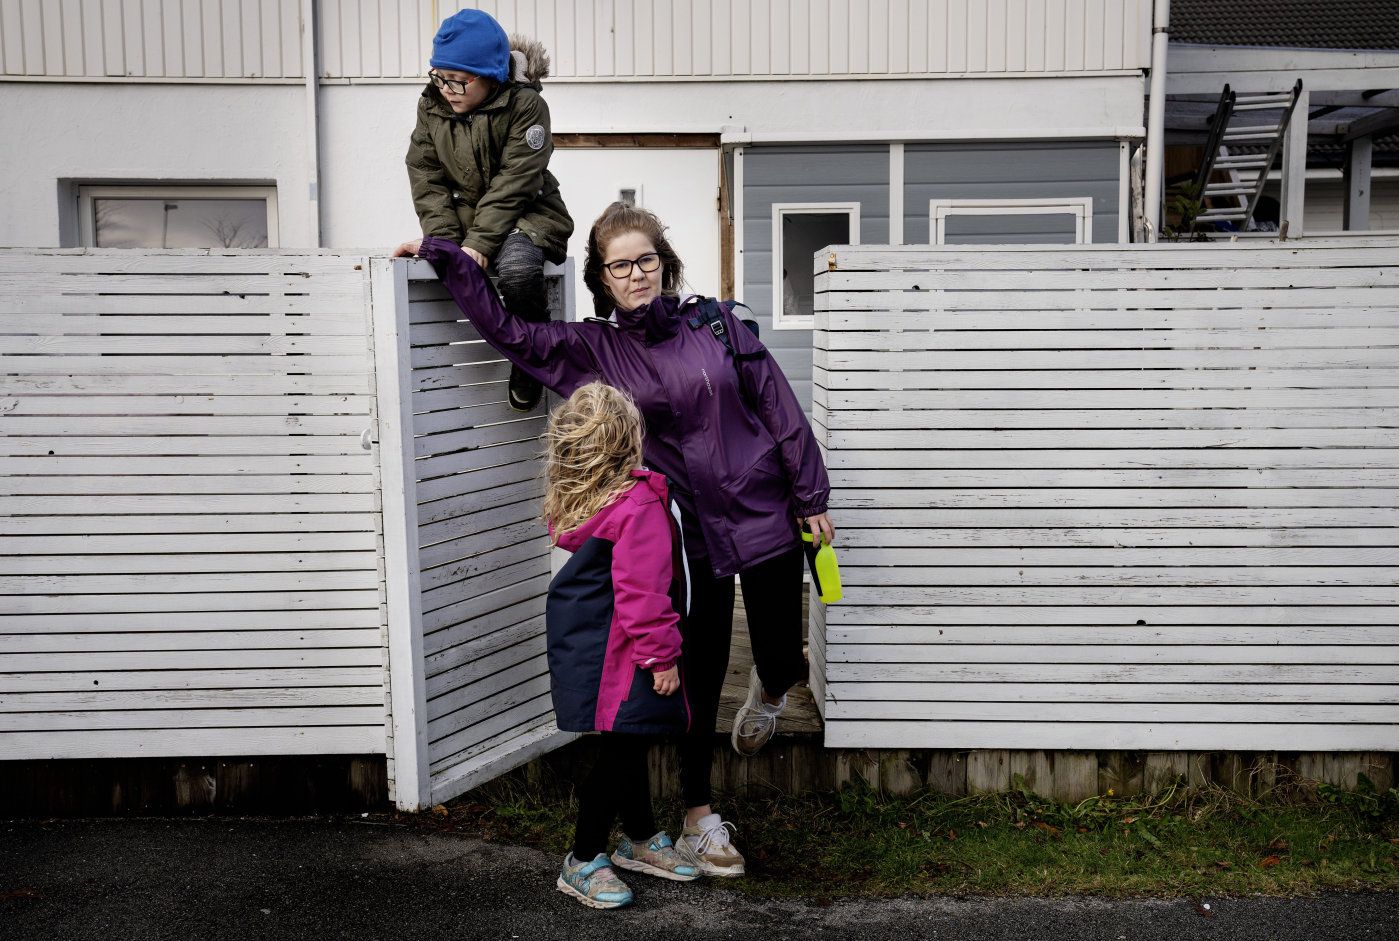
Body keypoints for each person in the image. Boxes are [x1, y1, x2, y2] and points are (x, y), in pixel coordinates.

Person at [393, 202, 836, 879]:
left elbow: (776, 403)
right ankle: (697, 814)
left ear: (665, 261)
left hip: (762, 509)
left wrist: (810, 497)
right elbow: (510, 333)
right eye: (621, 264)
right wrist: (448, 255)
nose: (636, 273)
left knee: (780, 656)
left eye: (646, 259)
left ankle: (769, 697)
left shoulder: (714, 324)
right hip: (690, 535)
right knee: (701, 671)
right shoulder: (591, 349)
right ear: (603, 276)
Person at [542, 382, 699, 909]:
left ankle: (638, 836)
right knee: (622, 748)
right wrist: (661, 655)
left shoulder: (586, 499)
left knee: (628, 735)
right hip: (627, 648)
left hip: (596, 638)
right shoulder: (638, 505)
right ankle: (583, 858)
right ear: (630, 440)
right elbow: (642, 588)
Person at [405, 7, 573, 412]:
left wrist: (480, 241)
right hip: (467, 222)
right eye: (439, 77)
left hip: (529, 214)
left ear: (489, 75)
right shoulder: (431, 108)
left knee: (516, 269)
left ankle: (530, 356)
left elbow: (517, 179)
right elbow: (425, 174)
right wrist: (445, 242)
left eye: (458, 81)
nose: (447, 89)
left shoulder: (526, 106)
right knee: (446, 274)